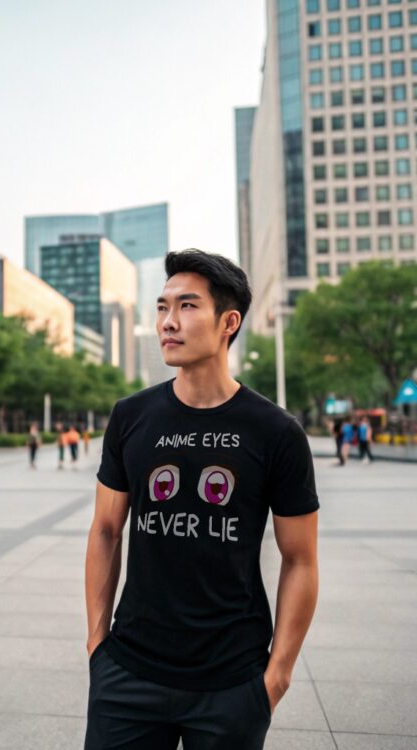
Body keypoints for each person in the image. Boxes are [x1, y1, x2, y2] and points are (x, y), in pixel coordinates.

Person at [85, 250, 320, 750]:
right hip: (127, 672)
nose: (168, 322)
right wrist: (96, 646)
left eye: (188, 306)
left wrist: (276, 676)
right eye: (162, 307)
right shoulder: (131, 416)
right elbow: (106, 530)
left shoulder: (275, 432)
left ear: (228, 323)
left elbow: (301, 559)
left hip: (231, 682)